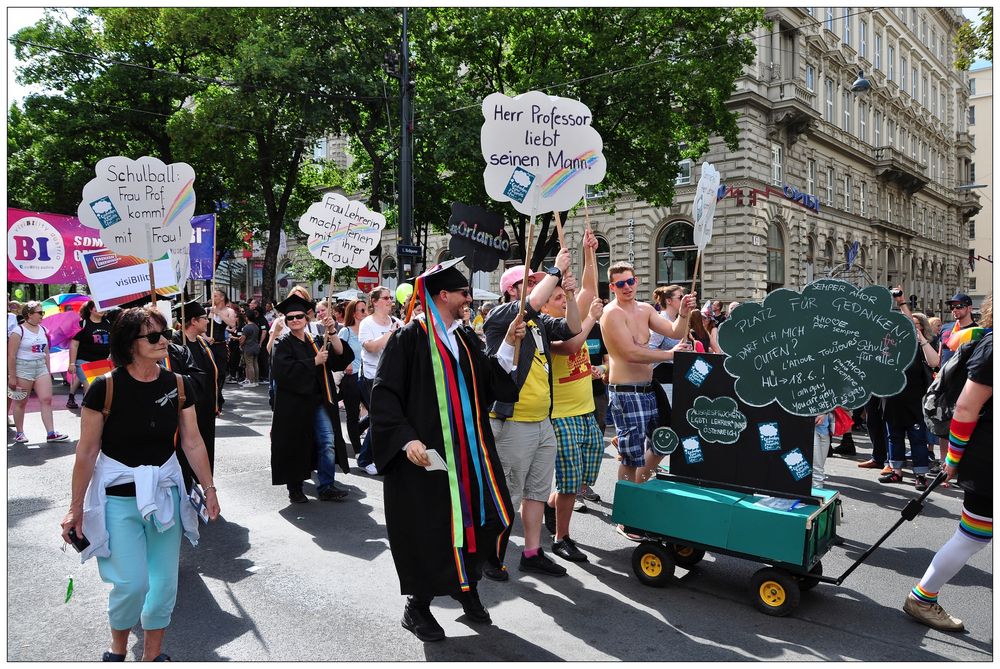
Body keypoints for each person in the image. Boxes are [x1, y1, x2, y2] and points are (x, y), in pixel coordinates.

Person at [371, 257, 523, 642]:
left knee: (487, 517)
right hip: (428, 461)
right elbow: (384, 395)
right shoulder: (409, 338)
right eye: (463, 292)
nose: (469, 298)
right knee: (431, 530)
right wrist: (407, 440)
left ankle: (465, 584)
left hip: (472, 458)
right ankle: (417, 607)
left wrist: (510, 343)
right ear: (443, 295)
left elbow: (489, 380)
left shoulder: (464, 336)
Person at [60, 306, 220, 661]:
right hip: (118, 499)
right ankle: (117, 650)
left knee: (163, 587)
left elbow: (192, 442)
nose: (163, 341)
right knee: (132, 584)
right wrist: (75, 509)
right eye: (153, 336)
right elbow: (86, 453)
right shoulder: (105, 388)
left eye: (164, 334)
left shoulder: (179, 384)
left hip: (165, 495)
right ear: (129, 344)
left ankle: (152, 657)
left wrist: (209, 489)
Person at [483, 249, 580, 580]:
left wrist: (570, 293)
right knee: (508, 494)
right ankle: (491, 554)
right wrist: (556, 268)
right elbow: (528, 306)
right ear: (512, 289)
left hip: (542, 422)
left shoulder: (539, 322)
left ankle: (532, 552)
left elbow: (573, 328)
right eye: (530, 282)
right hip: (513, 422)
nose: (537, 286)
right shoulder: (502, 315)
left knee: (537, 492)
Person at [904, 295, 992, 633]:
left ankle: (922, 596)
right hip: (987, 461)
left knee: (972, 537)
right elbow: (966, 409)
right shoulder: (992, 348)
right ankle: (923, 597)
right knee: (971, 537)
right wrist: (951, 461)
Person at [600, 262, 696, 537]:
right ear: (612, 287)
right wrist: (670, 356)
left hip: (648, 388)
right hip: (626, 392)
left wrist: (685, 313)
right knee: (630, 458)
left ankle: (639, 496)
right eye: (620, 284)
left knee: (662, 442)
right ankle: (626, 517)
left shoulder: (644, 310)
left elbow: (676, 332)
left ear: (636, 280)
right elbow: (630, 353)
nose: (627, 287)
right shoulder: (611, 314)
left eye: (630, 281)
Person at [540, 235, 605, 562]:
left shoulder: (572, 312)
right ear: (543, 304)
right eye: (555, 298)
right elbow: (569, 346)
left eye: (562, 296)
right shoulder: (544, 330)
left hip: (586, 411)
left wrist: (587, 251)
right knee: (568, 482)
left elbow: (590, 289)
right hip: (561, 414)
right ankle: (561, 537)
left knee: (581, 477)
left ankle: (551, 507)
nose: (563, 301)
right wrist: (591, 317)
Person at [269, 294, 354, 503]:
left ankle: (326, 485)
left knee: (327, 442)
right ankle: (295, 487)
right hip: (295, 406)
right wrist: (313, 361)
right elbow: (283, 372)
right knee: (296, 445)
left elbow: (340, 356)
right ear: (286, 321)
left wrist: (332, 331)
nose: (295, 320)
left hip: (318, 401)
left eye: (299, 316)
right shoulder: (283, 344)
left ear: (307, 318)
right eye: (290, 318)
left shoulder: (317, 340)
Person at [877, 307, 939, 491]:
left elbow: (935, 362)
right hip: (891, 398)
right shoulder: (887, 343)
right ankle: (896, 471)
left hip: (915, 400)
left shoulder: (922, 345)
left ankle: (920, 475)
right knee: (893, 436)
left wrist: (921, 339)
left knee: (917, 438)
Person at [172, 300, 221, 492]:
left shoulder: (201, 342)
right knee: (186, 449)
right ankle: (184, 487)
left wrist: (218, 400)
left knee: (204, 447)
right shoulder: (175, 343)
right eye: (203, 318)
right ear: (193, 321)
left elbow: (213, 373)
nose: (207, 322)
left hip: (206, 407)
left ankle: (198, 485)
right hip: (187, 408)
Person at [8, 301, 70, 443]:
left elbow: (46, 351)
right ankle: (20, 432)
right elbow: (11, 355)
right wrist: (12, 376)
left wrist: (48, 371)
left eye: (43, 312)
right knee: (21, 402)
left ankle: (51, 433)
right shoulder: (18, 331)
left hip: (40, 367)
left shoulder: (42, 329)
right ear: (29, 315)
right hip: (23, 368)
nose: (43, 315)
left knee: (47, 399)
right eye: (40, 312)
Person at [357, 286, 403, 475]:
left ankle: (360, 429)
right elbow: (371, 348)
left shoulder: (397, 321)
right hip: (371, 377)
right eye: (385, 298)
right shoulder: (367, 323)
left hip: (392, 377)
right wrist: (390, 335)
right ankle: (365, 458)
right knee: (379, 418)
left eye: (391, 298)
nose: (389, 301)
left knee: (386, 417)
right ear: (374, 302)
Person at [67, 300, 113, 410]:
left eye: (102, 308)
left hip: (103, 362)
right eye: (97, 307)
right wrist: (72, 363)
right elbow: (74, 345)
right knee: (91, 388)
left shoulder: (109, 323)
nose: (101, 310)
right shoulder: (82, 324)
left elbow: (113, 342)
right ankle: (89, 413)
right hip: (85, 361)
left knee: (102, 390)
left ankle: (92, 410)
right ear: (90, 309)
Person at [338, 299, 369, 458]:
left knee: (376, 411)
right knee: (352, 414)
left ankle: (356, 433)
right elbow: (338, 353)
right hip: (351, 378)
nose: (365, 313)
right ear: (353, 313)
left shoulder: (369, 330)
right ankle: (358, 450)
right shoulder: (346, 331)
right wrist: (347, 363)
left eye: (366, 309)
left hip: (367, 376)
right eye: (362, 310)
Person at [206, 290, 236, 407]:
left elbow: (232, 324)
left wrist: (218, 313)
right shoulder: (207, 311)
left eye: (215, 296)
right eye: (212, 295)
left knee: (221, 372)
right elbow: (202, 329)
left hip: (221, 345)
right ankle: (213, 395)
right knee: (209, 371)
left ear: (222, 297)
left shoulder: (229, 311)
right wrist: (206, 337)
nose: (213, 297)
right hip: (208, 344)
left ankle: (218, 394)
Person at [239, 310, 261, 387]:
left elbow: (243, 338)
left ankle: (251, 382)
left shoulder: (246, 327)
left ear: (247, 317)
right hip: (256, 347)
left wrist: (240, 345)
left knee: (249, 365)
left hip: (248, 347)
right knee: (255, 364)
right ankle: (256, 381)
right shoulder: (256, 326)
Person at [812, 412, 834, 488]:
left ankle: (815, 494)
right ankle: (817, 495)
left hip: (825, 429)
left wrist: (825, 413)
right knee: (817, 471)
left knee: (819, 467)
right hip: (811, 427)